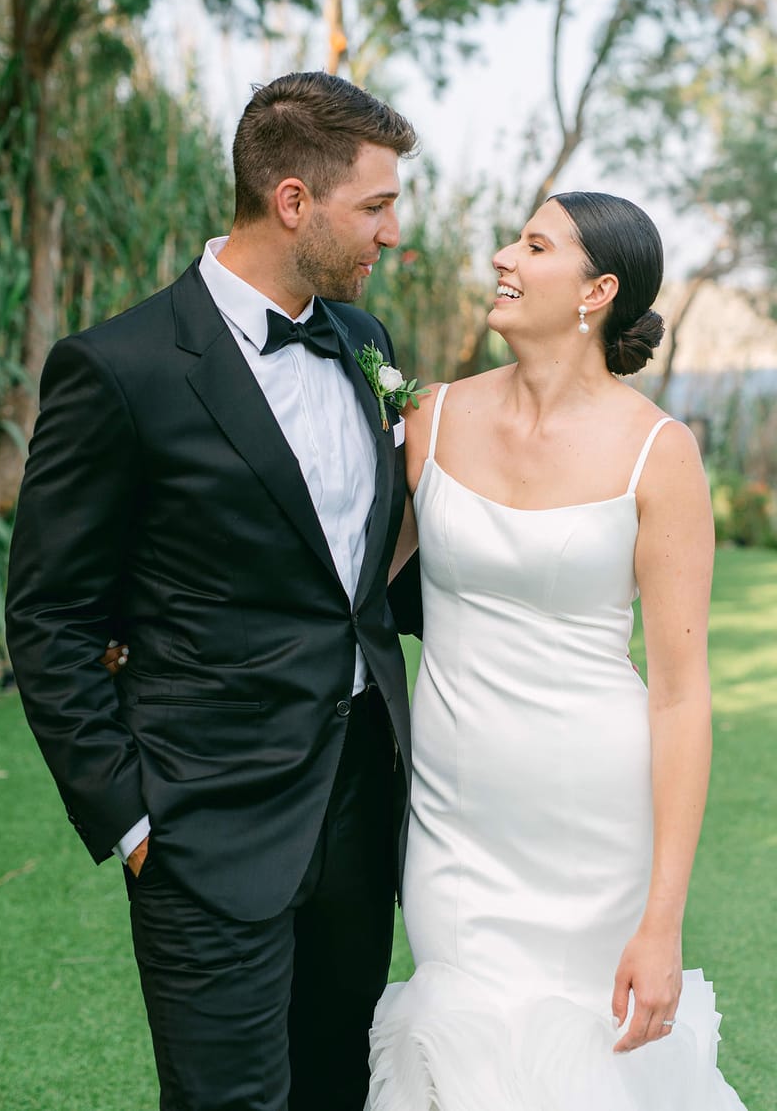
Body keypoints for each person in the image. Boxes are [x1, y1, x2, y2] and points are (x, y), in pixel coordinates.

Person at [4, 71, 419, 1111]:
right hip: (204, 823)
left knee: (338, 1088)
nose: (392, 232)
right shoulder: (119, 368)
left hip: (359, 808)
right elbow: (51, 615)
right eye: (375, 205)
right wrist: (128, 815)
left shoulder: (365, 343)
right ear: (293, 200)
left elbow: (361, 575)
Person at [367, 191, 747, 1109]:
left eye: (534, 246)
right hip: (456, 818)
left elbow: (680, 696)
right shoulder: (432, 418)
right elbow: (345, 586)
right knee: (457, 1041)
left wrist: (663, 922)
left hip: (593, 827)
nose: (503, 256)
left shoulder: (659, 453)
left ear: (596, 291)